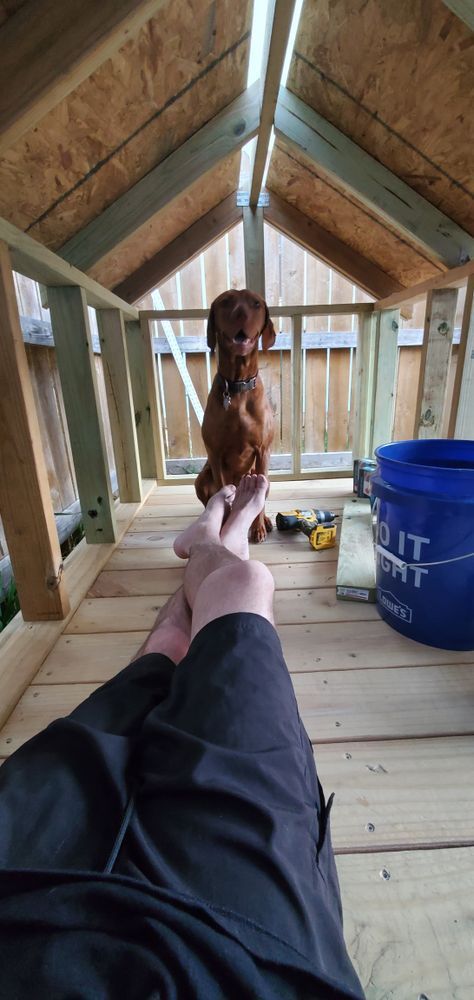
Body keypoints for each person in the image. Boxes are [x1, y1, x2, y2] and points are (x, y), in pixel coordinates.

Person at [0, 474, 365, 999]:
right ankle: (215, 542)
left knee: (168, 649)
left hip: (18, 870)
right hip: (236, 945)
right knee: (242, 590)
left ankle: (214, 541)